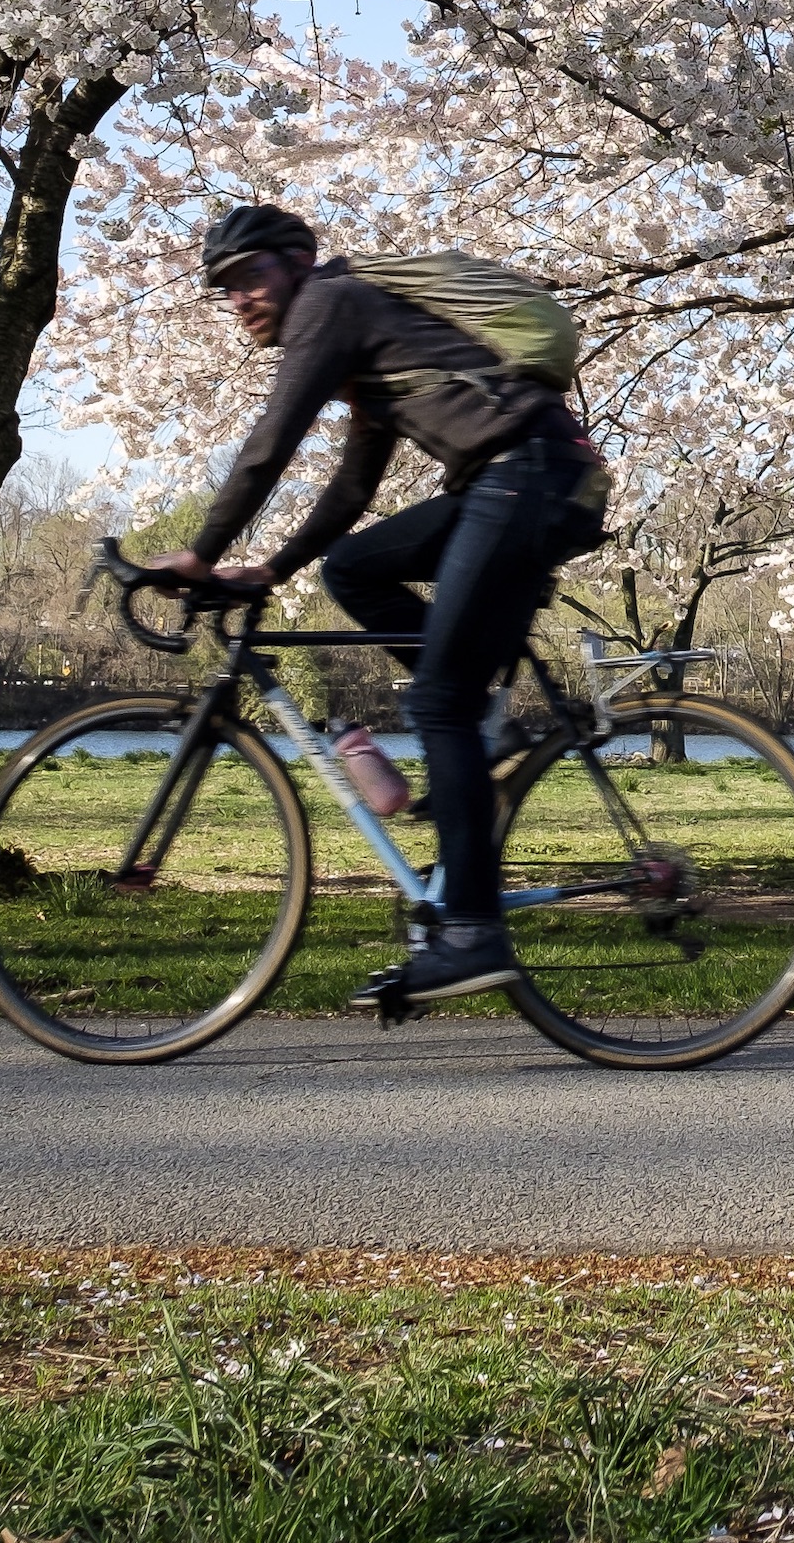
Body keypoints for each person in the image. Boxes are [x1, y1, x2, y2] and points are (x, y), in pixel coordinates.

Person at [166, 202, 598, 1004]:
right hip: (518, 478)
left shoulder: (330, 304)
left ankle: (469, 933)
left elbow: (270, 443)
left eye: (250, 278)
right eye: (224, 290)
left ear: (296, 264)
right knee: (353, 567)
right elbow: (354, 485)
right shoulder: (370, 345)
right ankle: (490, 726)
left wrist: (202, 552)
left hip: (527, 475)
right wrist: (272, 566)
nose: (240, 300)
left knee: (438, 701)